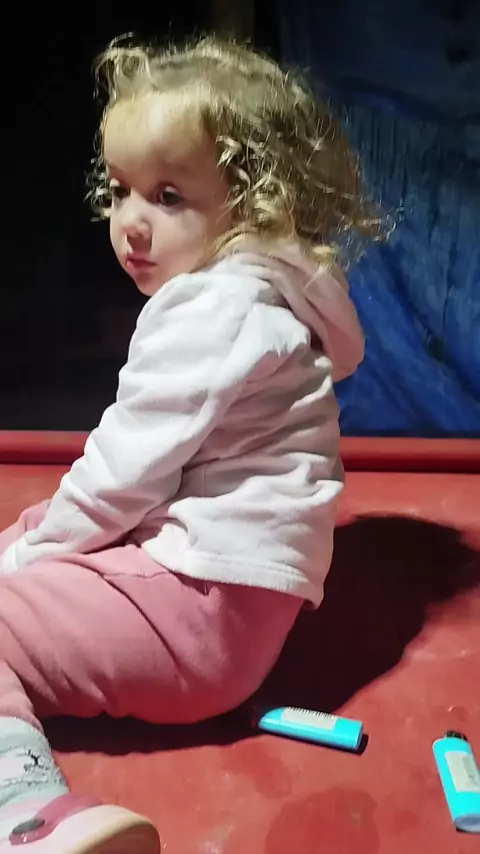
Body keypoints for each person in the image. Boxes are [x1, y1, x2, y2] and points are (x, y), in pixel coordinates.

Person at [0, 33, 380, 853]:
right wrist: (30, 545)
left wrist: (26, 560)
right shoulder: (272, 292)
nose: (130, 225)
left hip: (196, 612)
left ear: (253, 199)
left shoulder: (211, 307)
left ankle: (30, 818)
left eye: (169, 196)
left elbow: (120, 480)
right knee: (28, 537)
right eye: (121, 190)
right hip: (230, 607)